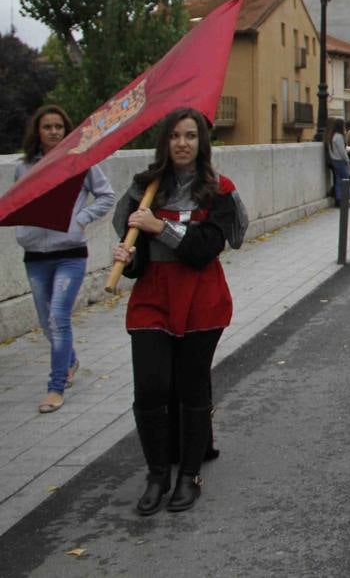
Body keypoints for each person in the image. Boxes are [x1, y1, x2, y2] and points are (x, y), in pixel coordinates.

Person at [111, 107, 248, 515]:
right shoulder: (145, 189)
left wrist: (159, 228)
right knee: (150, 389)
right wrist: (127, 255)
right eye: (175, 136)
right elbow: (137, 261)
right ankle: (157, 475)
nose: (183, 143)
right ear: (165, 142)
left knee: (191, 390)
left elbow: (204, 250)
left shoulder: (219, 190)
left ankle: (188, 477)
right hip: (153, 300)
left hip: (201, 301)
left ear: (201, 143)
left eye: (190, 136)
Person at [13, 104, 116, 414]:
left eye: (59, 127)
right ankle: (69, 360)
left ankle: (55, 386)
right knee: (47, 322)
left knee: (59, 316)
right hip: (35, 254)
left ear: (67, 130)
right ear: (38, 131)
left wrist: (80, 219)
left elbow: (107, 195)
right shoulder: (24, 167)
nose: (54, 132)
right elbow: (19, 202)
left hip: (69, 253)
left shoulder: (80, 162)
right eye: (48, 127)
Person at [326, 118, 350, 205]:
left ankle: (339, 199)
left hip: (334, 160)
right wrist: (347, 160)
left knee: (338, 180)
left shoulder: (332, 136)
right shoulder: (339, 137)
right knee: (345, 180)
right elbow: (342, 151)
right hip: (340, 160)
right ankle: (344, 199)